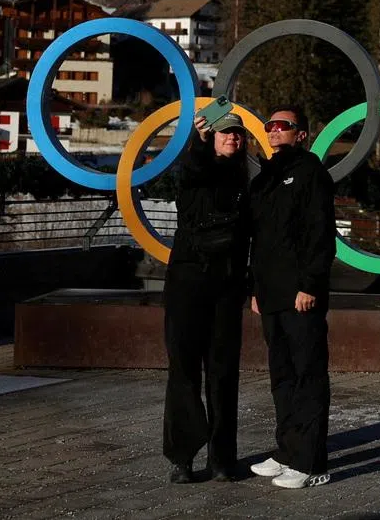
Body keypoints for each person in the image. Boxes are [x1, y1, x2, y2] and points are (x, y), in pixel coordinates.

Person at [247, 106, 336, 490]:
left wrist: (310, 284)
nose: (273, 130)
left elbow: (321, 235)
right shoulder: (266, 176)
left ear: (301, 134)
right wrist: (255, 289)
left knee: (308, 376)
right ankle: (286, 451)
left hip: (301, 294)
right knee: (282, 376)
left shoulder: (312, 173)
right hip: (270, 295)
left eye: (283, 126)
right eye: (269, 126)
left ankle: (310, 462)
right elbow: (260, 241)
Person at [163, 111, 251, 484]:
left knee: (223, 373)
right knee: (183, 371)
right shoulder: (195, 169)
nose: (232, 138)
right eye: (225, 133)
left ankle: (222, 459)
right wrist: (197, 143)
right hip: (187, 281)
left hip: (227, 286)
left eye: (237, 134)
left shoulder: (247, 178)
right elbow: (194, 171)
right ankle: (182, 458)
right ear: (211, 138)